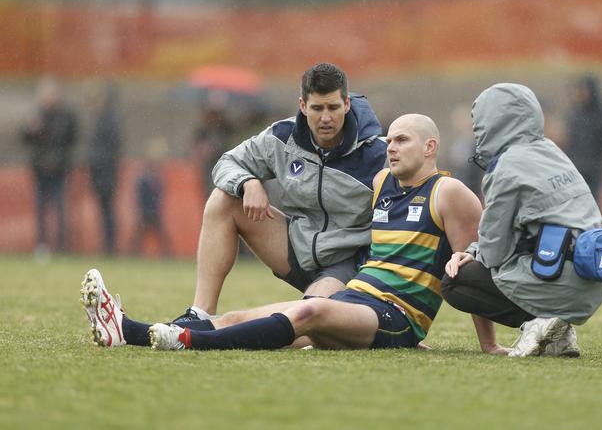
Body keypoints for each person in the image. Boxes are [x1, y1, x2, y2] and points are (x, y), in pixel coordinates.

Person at [81, 113, 500, 352]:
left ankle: (187, 342)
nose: (390, 146)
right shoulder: (381, 185)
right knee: (245, 316)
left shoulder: (451, 193)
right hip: (357, 296)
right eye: (388, 139)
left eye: (402, 140)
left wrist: (488, 346)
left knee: (307, 313)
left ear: (430, 148)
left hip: (396, 314)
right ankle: (127, 330)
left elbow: (469, 275)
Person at [172, 63, 388, 323]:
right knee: (223, 199)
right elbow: (226, 163)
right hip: (294, 248)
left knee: (309, 320)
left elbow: (416, 199)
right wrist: (248, 182)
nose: (326, 117)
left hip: (344, 264)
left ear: (347, 104)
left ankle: (221, 328)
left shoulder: (378, 154)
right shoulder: (282, 137)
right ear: (303, 105)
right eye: (317, 108)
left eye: (333, 107)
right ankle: (200, 313)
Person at [442, 83, 602, 358]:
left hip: (555, 277)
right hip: (594, 279)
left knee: (455, 281)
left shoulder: (506, 166)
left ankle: (538, 322)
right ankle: (559, 333)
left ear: (492, 121)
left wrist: (470, 253)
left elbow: (494, 250)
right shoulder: (553, 152)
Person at [21, 77, 78, 254]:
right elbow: (24, 139)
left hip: (59, 170)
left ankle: (62, 246)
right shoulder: (36, 115)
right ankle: (41, 245)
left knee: (60, 209)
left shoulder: (66, 116)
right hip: (40, 170)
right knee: (41, 210)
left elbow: (72, 140)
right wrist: (29, 129)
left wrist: (58, 159)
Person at [565, 74, 602, 205]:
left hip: (593, 169)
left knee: (593, 203)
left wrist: (595, 158)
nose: (580, 93)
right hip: (575, 167)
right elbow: (570, 138)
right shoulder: (576, 112)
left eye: (583, 89)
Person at [87, 82, 122, 255]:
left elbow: (109, 149)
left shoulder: (107, 121)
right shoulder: (105, 120)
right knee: (106, 211)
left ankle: (110, 246)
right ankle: (108, 245)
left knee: (107, 211)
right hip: (103, 173)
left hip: (105, 173)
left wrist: (95, 160)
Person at [130, 137, 171, 257]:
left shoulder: (151, 178)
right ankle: (133, 254)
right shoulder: (146, 178)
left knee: (157, 235)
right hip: (147, 212)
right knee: (142, 236)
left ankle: (167, 254)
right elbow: (141, 196)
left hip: (151, 211)